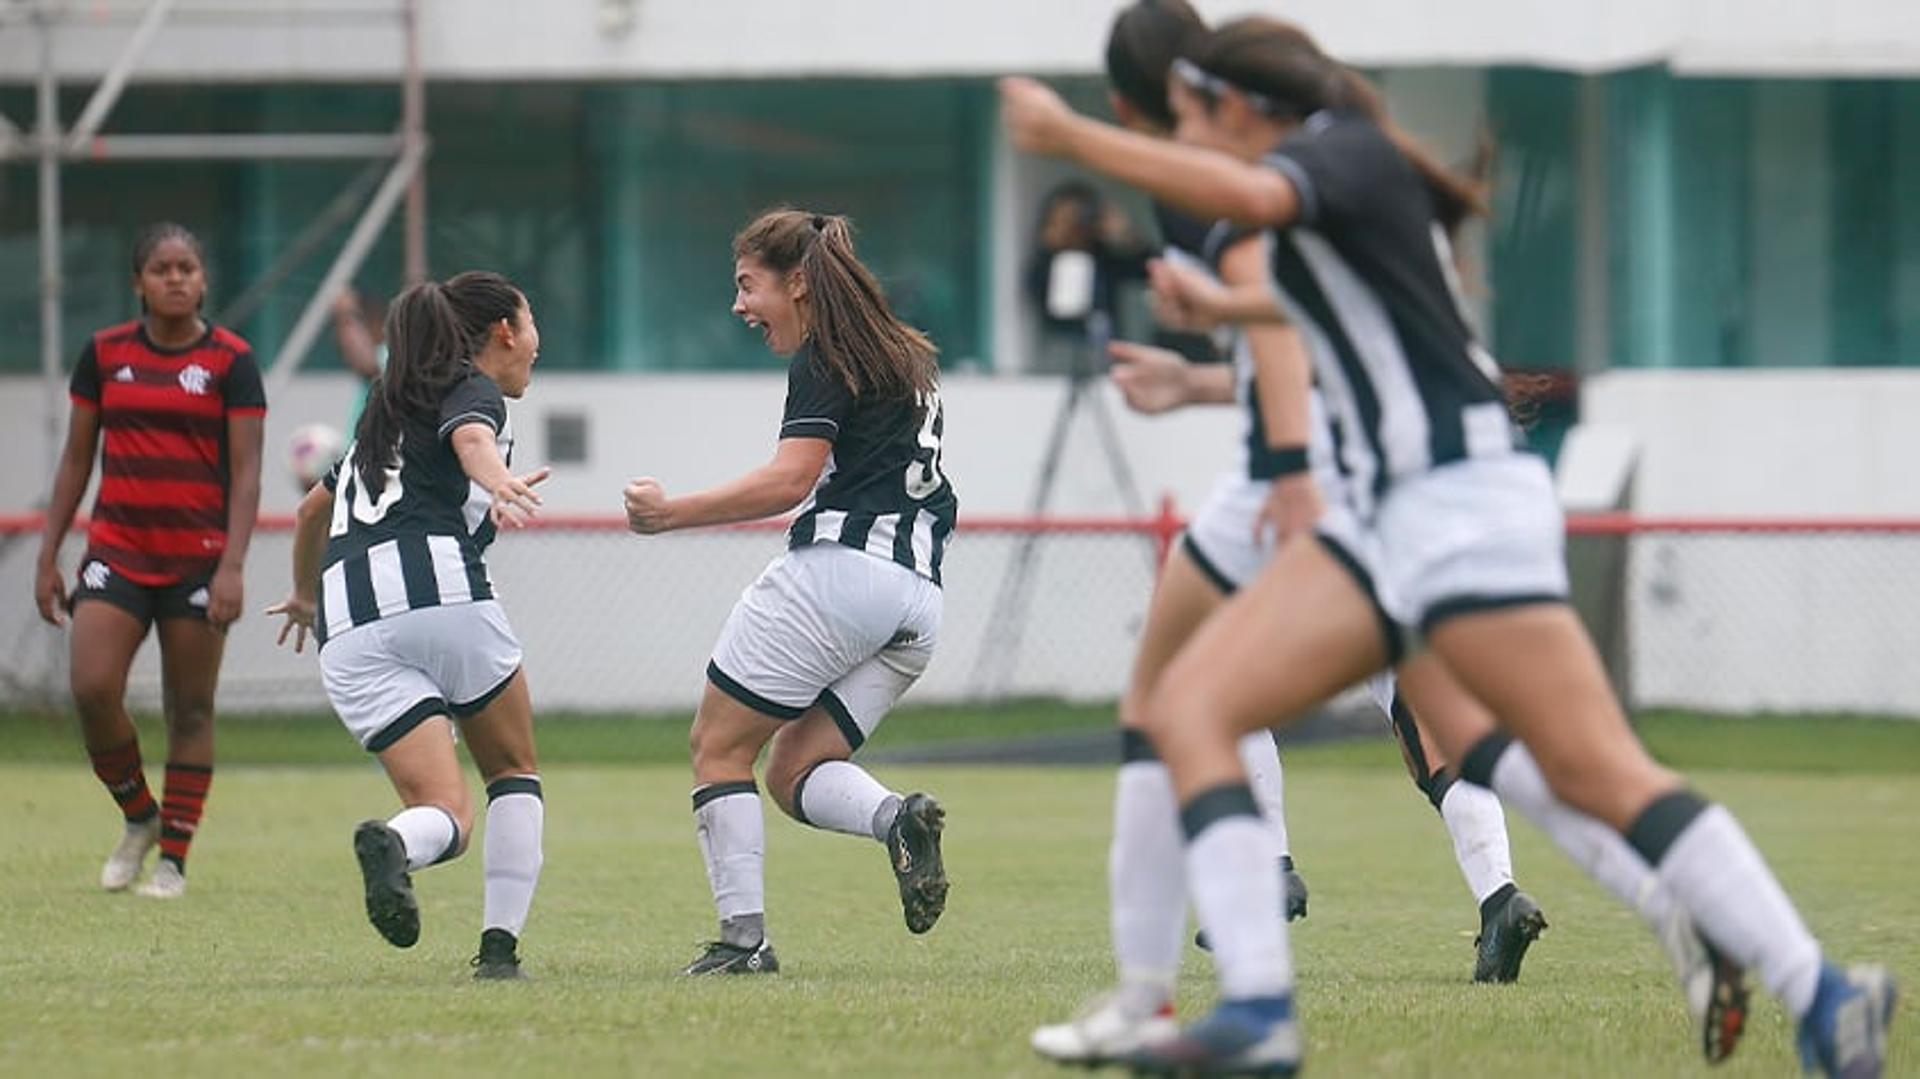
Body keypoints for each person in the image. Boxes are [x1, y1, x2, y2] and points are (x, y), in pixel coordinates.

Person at [1002, 18, 1894, 1077]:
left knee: (1595, 767)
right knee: (1197, 708)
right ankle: (1253, 1005)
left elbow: (1251, 214)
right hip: (1397, 520)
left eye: (1195, 117)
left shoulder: (1334, 154)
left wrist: (1067, 137)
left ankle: (1820, 989)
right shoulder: (1326, 176)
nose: (1189, 141)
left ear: (1241, 107)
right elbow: (1324, 318)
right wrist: (1211, 338)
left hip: (1457, 507)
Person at [1033, 7, 1547, 1065]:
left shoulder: (1260, 179)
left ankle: (1224, 934)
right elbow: (1301, 334)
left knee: (1189, 697)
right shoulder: (1336, 153)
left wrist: (1286, 474)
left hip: (1346, 484)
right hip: (1390, 480)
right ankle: (1495, 893)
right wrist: (1199, 378)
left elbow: (1283, 329)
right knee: (1487, 736)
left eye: (1194, 104)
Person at [624, 209, 959, 976]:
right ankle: (898, 821)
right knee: (792, 768)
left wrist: (671, 513)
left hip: (841, 576)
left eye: (749, 284)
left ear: (799, 281)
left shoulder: (826, 355)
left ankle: (743, 943)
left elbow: (790, 478)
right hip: (918, 599)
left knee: (718, 747)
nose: (740, 305)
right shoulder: (907, 354)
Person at [268, 271, 551, 980]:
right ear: (505, 333)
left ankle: (396, 843)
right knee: (512, 773)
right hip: (439, 590)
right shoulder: (473, 387)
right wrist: (495, 478)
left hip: (348, 621)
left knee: (443, 811)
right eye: (532, 324)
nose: (536, 344)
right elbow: (472, 441)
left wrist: (304, 597)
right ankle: (498, 953)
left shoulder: (381, 413)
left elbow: (310, 514)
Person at [33, 222, 264, 900]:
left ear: (203, 279)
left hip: (198, 560)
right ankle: (140, 816)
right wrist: (49, 553)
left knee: (190, 708)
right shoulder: (104, 354)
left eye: (187, 267)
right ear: (138, 282)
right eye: (161, 268)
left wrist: (233, 565)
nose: (175, 278)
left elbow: (247, 472)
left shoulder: (231, 359)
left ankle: (174, 861)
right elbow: (77, 457)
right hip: (117, 553)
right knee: (92, 686)